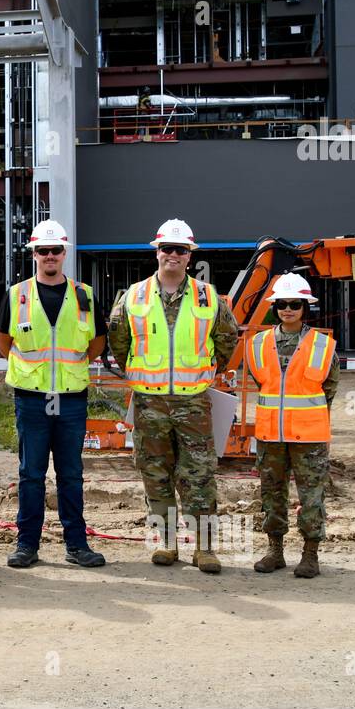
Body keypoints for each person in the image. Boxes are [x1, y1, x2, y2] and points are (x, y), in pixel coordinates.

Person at [107, 218, 238, 573]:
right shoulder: (133, 296)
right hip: (149, 402)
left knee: (199, 475)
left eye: (181, 250)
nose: (173, 255)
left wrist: (205, 368)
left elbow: (227, 338)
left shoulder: (208, 297)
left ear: (189, 255)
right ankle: (165, 543)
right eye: (167, 248)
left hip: (193, 401)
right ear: (157, 252)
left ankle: (205, 548)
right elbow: (119, 342)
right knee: (155, 474)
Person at [0, 219, 108, 569]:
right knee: (31, 473)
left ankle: (77, 545)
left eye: (55, 250)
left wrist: (67, 369)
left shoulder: (84, 295)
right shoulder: (17, 295)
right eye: (43, 250)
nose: (49, 256)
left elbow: (97, 343)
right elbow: (3, 343)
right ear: (34, 254)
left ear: (64, 253)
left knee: (71, 474)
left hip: (71, 396)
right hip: (32, 397)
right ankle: (27, 544)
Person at [245, 272, 339, 578]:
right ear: (275, 307)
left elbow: (329, 389)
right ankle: (275, 551)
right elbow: (262, 382)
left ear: (305, 307)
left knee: (311, 496)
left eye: (295, 304)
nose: (288, 309)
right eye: (282, 304)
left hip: (309, 435)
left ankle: (310, 555)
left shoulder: (322, 346)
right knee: (272, 493)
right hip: (271, 434)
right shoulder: (257, 343)